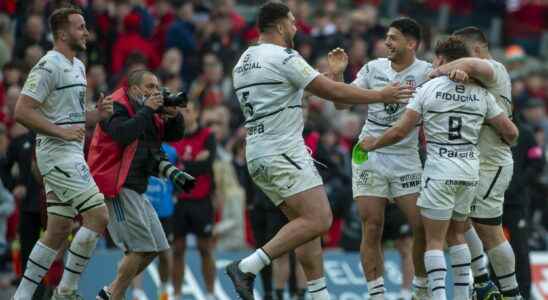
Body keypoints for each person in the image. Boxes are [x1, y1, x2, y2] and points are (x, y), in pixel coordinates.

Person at [226, 2, 413, 299]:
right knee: (319, 220)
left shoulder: (244, 60)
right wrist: (381, 94)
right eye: (291, 22)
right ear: (278, 26)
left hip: (258, 154)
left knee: (305, 226)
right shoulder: (284, 56)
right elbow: (331, 93)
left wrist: (335, 75)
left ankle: (318, 294)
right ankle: (248, 266)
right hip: (283, 151)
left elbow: (313, 86)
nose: (296, 27)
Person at [360, 36, 518, 300]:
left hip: (439, 169)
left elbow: (400, 131)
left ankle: (436, 296)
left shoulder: (429, 88)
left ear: (443, 60)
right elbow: (511, 132)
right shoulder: (481, 92)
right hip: (469, 170)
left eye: (436, 60)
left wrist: (372, 144)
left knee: (436, 240)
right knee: (459, 233)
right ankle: (466, 292)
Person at [12, 7, 113, 300]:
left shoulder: (78, 66)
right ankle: (66, 290)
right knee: (98, 216)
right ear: (63, 33)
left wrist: (97, 115)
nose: (86, 32)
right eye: (80, 27)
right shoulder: (47, 66)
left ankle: (22, 295)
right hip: (57, 154)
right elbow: (22, 111)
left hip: (70, 152)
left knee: (58, 229)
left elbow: (72, 118)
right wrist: (59, 132)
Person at [331, 17, 431, 300]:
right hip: (369, 154)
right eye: (386, 37)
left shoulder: (427, 72)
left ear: (411, 44)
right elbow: (341, 103)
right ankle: (377, 294)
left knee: (421, 226)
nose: (386, 42)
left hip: (406, 157)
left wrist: (460, 73)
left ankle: (420, 289)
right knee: (371, 225)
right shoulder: (373, 68)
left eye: (393, 38)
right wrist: (338, 76)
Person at [429, 26, 523, 300]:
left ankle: (510, 291)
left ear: (478, 50)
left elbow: (469, 64)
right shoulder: (470, 81)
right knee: (458, 221)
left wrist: (438, 71)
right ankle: (482, 281)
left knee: (488, 228)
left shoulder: (494, 68)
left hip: (491, 162)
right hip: (470, 164)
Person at [87, 69, 192, 300]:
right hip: (115, 185)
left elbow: (173, 137)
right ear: (134, 89)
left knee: (155, 247)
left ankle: (110, 292)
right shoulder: (114, 104)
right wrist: (149, 109)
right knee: (142, 248)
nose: (156, 91)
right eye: (150, 87)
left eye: (157, 87)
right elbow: (123, 134)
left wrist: (173, 115)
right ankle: (113, 294)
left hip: (136, 187)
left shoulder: (149, 110)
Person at [170, 99, 217, 300]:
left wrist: (183, 165)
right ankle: (177, 294)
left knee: (205, 248)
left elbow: (207, 165)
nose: (185, 114)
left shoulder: (208, 135)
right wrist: (192, 164)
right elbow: (170, 167)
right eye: (181, 111)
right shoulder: (173, 137)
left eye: (188, 111)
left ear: (197, 114)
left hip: (201, 200)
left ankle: (210, 293)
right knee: (177, 249)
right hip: (178, 201)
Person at [131, 142, 178, 300]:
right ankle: (137, 292)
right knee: (138, 251)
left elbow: (176, 178)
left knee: (165, 253)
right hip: (140, 207)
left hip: (164, 211)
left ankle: (164, 289)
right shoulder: (136, 146)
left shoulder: (171, 151)